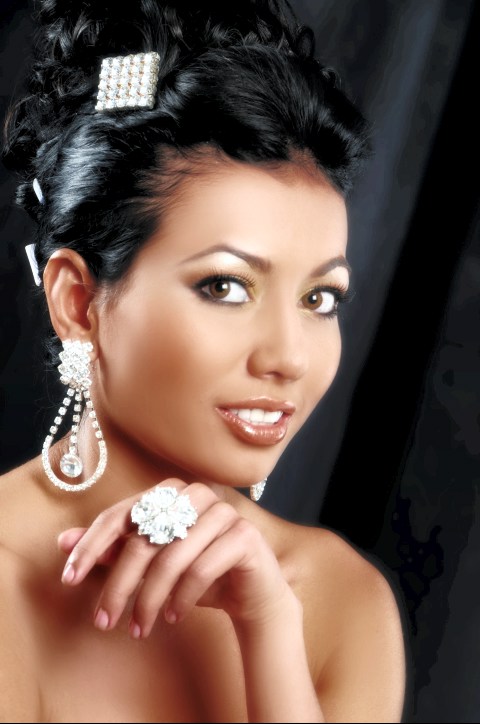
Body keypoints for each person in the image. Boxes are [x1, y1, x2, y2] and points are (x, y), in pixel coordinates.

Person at [0, 1, 406, 721]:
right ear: (78, 301)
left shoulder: (338, 599)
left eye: (320, 298)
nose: (289, 357)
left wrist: (269, 630)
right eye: (225, 286)